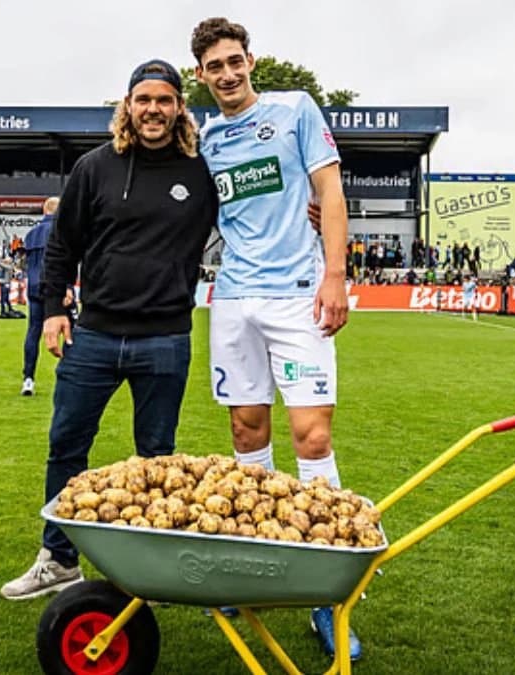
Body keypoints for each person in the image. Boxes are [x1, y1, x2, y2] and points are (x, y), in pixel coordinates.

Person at [0, 58, 217, 601]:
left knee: (157, 455)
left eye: (165, 100)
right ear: (128, 105)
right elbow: (61, 246)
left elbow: (253, 214)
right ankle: (58, 558)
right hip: (93, 334)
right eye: (143, 99)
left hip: (166, 338)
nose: (153, 109)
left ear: (179, 108)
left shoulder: (200, 170)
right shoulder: (94, 167)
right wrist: (53, 310)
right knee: (66, 444)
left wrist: (308, 211)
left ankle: (151, 564)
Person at [191, 17, 356, 660]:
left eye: (235, 61)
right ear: (201, 76)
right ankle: (254, 561)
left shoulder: (295, 110)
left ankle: (327, 589)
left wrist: (336, 276)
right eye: (215, 67)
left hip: (297, 296)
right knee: (245, 434)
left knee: (311, 436)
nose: (227, 74)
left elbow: (330, 191)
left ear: (251, 61)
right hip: (232, 299)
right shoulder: (205, 140)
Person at [20, 197, 68, 396]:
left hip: (34, 286)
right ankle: (69, 376)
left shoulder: (30, 234)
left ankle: (28, 378)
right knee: (68, 329)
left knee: (33, 331)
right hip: (55, 287)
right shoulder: (60, 232)